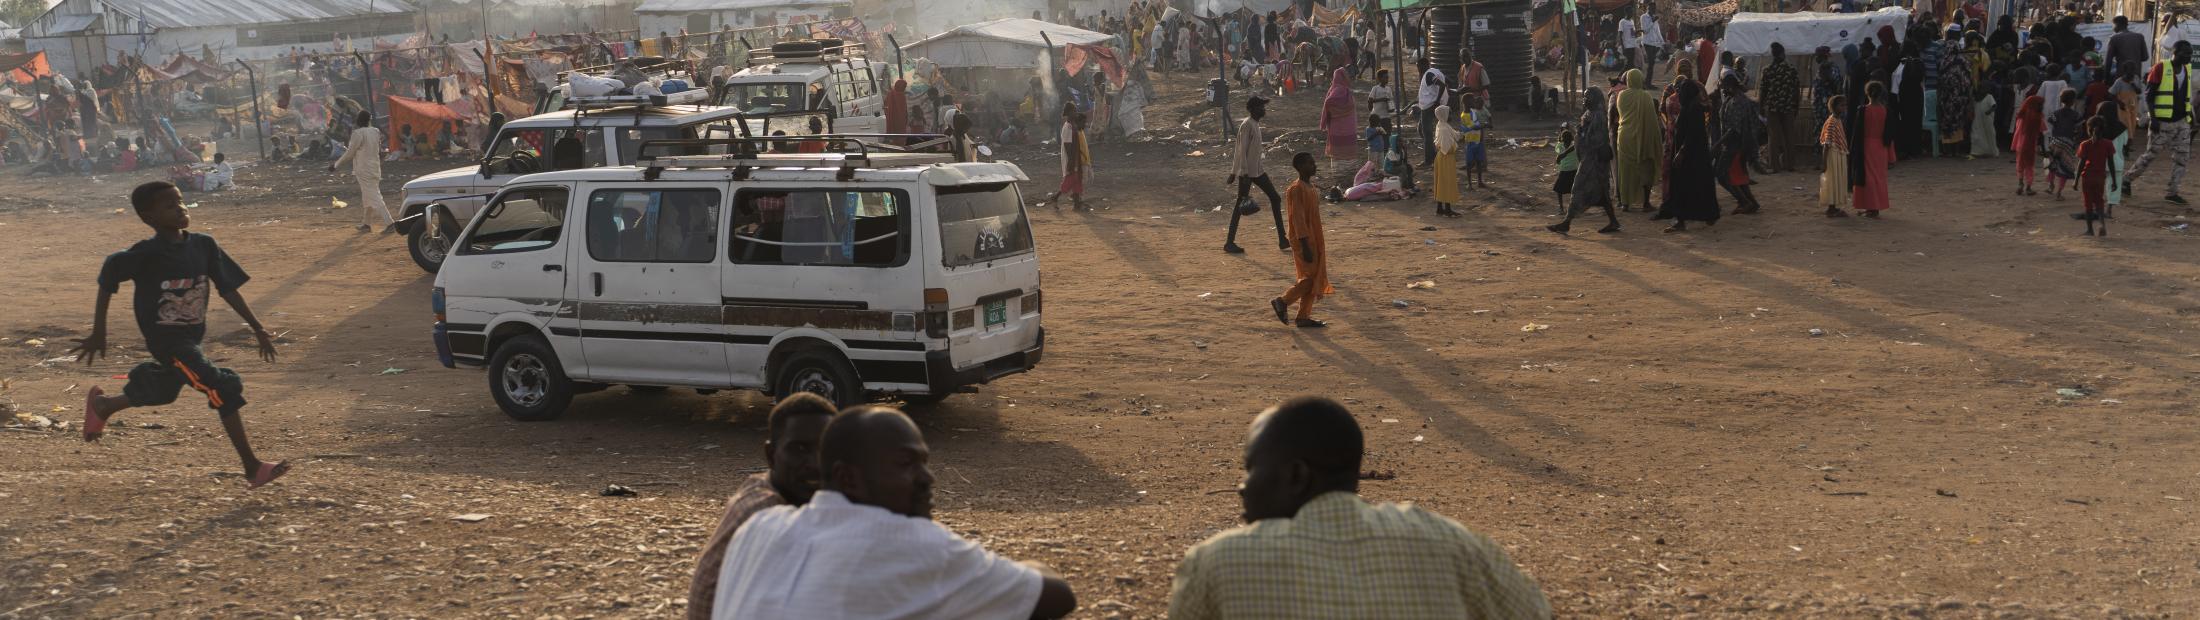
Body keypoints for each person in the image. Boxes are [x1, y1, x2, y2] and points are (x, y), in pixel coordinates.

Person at [1166, 397, 1551, 619]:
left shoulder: (1219, 561)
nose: (1242, 487)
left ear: (1297, 476)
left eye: (1251, 469)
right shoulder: (1448, 540)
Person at [712, 407, 1078, 619]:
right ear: (847, 478)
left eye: (924, 463)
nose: (927, 479)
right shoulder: (907, 542)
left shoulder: (759, 525)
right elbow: (1057, 596)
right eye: (906, 464)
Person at [70, 181, 288, 489]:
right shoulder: (145, 254)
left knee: (164, 389)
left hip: (192, 338)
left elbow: (228, 289)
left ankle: (104, 406)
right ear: (149, 218)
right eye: (169, 206)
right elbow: (109, 273)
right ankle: (252, 467)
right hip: (167, 343)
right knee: (220, 387)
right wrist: (98, 331)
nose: (180, 209)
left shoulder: (204, 245)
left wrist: (257, 328)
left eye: (181, 201)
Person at [686, 393, 834, 620]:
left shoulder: (766, 485)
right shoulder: (767, 514)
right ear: (771, 455)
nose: (815, 463)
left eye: (825, 449)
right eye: (800, 449)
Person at [2126, 41, 2195, 205]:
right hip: (2162, 122)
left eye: (2190, 54)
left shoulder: (2187, 69)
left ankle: (2172, 192)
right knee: (2150, 155)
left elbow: (2186, 96)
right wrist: (2153, 118)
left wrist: (2190, 118)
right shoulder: (2160, 68)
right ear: (2175, 52)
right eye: (2185, 54)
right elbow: (2149, 96)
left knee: (2182, 157)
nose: (2188, 57)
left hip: (2181, 121)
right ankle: (2126, 180)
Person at [1268, 153, 1330, 329]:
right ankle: (1283, 301)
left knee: (1314, 276)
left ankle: (1303, 316)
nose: (1314, 166)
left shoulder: (1310, 187)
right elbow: (1298, 219)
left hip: (1315, 237)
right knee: (1310, 279)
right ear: (1301, 166)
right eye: (1310, 163)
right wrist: (1304, 244)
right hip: (1304, 239)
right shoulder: (1296, 189)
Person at [1549, 87, 1617, 235]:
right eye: (1584, 97)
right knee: (1602, 193)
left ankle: (1566, 222)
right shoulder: (1589, 114)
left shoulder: (1598, 116)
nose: (1584, 100)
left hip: (1594, 160)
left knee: (1578, 188)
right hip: (1589, 158)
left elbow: (1598, 140)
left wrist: (1582, 134)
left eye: (1587, 97)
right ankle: (1613, 221)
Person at [1226, 96, 1288, 254]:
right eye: (1261, 107)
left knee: (1275, 198)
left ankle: (1282, 239)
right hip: (1248, 173)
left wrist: (1235, 172)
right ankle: (1229, 242)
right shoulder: (1247, 125)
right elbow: (1241, 150)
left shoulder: (1255, 124)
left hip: (1257, 171)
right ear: (1253, 109)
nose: (1264, 110)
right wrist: (1239, 172)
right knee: (1239, 206)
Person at [1656, 80, 1720, 232]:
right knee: (1698, 185)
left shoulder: (1693, 109)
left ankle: (1683, 220)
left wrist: (1681, 152)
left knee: (1682, 186)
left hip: (1690, 155)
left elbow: (1692, 133)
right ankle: (1704, 216)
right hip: (1695, 156)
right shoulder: (1692, 107)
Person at [329, 111, 392, 233]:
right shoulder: (375, 131)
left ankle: (390, 222)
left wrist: (336, 165)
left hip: (364, 169)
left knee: (373, 195)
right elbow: (379, 151)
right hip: (375, 167)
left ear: (358, 121)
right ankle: (366, 224)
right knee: (368, 195)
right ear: (369, 120)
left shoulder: (357, 134)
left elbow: (349, 153)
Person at [1715, 73, 1767, 215]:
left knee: (1721, 174)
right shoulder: (1736, 99)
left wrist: (1717, 145)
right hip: (1743, 143)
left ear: (1730, 87)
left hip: (1735, 144)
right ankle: (1751, 203)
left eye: (1724, 87)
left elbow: (1733, 129)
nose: (1723, 90)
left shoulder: (1737, 102)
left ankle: (1744, 202)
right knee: (1738, 174)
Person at [1615, 69, 1662, 212]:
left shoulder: (1621, 95)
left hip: (1624, 137)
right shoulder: (1645, 96)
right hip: (1643, 137)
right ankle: (1646, 203)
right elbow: (1652, 119)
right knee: (1646, 167)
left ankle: (1625, 203)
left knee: (1626, 171)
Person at [1855, 82, 1895, 218]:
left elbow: (1857, 133)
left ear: (1867, 94)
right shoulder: (1886, 111)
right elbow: (1889, 135)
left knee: (1868, 178)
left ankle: (1871, 207)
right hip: (1881, 148)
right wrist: (1891, 155)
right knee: (1879, 178)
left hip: (1866, 146)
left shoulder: (1863, 110)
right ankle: (1874, 207)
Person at [1759, 43, 1800, 173]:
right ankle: (1790, 165)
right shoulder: (1791, 69)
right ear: (1783, 53)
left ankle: (1775, 166)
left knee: (1773, 138)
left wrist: (1761, 106)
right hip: (1788, 107)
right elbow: (1796, 91)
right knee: (1789, 136)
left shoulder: (1767, 70)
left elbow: (1763, 91)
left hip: (1772, 108)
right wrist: (1796, 106)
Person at [2077, 115, 2116, 236]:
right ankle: (2102, 225)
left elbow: (2081, 163)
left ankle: (2090, 230)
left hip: (2087, 177)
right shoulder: (2108, 144)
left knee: (2088, 203)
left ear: (2089, 129)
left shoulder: (2085, 144)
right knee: (2099, 202)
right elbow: (2111, 164)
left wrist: (2075, 180)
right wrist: (2114, 181)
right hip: (2100, 177)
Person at [1051, 104, 1092, 211]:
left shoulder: (1071, 125)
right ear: (1069, 113)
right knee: (1071, 179)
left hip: (1075, 157)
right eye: (1073, 111)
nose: (1075, 113)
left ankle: (1077, 204)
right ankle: (1055, 197)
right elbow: (1067, 145)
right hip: (1072, 158)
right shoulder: (1068, 127)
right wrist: (1071, 161)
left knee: (1077, 178)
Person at [2046, 89, 2085, 200]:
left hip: (2055, 141)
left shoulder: (2055, 113)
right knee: (2065, 168)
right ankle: (2059, 192)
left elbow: (2051, 124)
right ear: (2073, 101)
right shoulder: (2076, 115)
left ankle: (2050, 185)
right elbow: (2080, 130)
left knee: (2052, 165)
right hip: (2068, 143)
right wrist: (2075, 141)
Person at [1317, 68, 1357, 173]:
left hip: (1341, 124)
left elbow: (1328, 103)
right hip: (1342, 124)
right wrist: (1340, 111)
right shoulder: (1340, 89)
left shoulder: (1337, 88)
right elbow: (1329, 102)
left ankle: (1341, 169)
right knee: (1342, 145)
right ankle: (1343, 170)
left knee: (1340, 146)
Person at [1820, 95, 1853, 217]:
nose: (1844, 108)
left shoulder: (1838, 120)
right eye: (1842, 105)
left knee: (1838, 180)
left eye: (1845, 105)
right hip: (1833, 156)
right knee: (1833, 181)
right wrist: (1824, 162)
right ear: (1834, 107)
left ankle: (1833, 207)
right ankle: (1831, 208)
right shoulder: (1831, 122)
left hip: (1838, 155)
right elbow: (1826, 144)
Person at [1431, 104, 1463, 218]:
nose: (1450, 115)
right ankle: (1448, 209)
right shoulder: (1444, 128)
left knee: (1441, 183)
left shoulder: (1442, 124)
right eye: (1448, 113)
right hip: (1446, 158)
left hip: (1442, 157)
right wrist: (1456, 146)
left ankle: (1440, 208)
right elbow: (1447, 148)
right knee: (1447, 183)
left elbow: (1455, 134)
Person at [2013, 90, 2046, 195]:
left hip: (2020, 145)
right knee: (2029, 166)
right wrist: (2042, 148)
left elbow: (2017, 133)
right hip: (2031, 145)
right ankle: (2028, 187)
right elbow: (2041, 133)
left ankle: (2020, 184)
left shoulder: (2021, 117)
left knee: (2020, 164)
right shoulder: (2039, 117)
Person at [1416, 58, 1445, 166]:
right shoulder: (1434, 72)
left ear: (1423, 65)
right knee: (1422, 130)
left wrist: (1437, 101)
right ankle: (1432, 153)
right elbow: (1447, 82)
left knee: (1427, 133)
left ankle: (1429, 160)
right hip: (1427, 106)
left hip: (1429, 107)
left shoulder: (1429, 74)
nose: (1418, 68)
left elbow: (1442, 85)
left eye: (1418, 66)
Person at [1459, 95, 1492, 188]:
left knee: (1478, 162)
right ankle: (1470, 183)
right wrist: (1485, 125)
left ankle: (1479, 182)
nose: (1475, 102)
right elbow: (1473, 127)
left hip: (1477, 140)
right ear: (1467, 103)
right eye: (1473, 101)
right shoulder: (1464, 115)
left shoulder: (1473, 112)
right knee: (1470, 163)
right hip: (1471, 141)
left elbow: (1477, 125)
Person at [1550, 127, 1580, 215]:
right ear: (1572, 138)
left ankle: (1561, 208)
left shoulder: (1559, 146)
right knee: (1574, 190)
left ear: (1562, 139)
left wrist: (1560, 136)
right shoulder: (1574, 145)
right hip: (1574, 169)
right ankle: (1574, 208)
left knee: (1559, 190)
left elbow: (1558, 151)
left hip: (1564, 170)